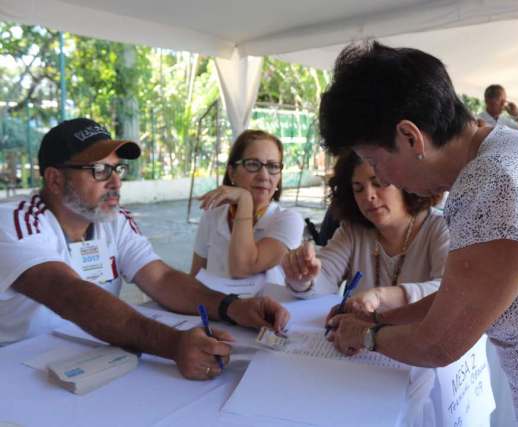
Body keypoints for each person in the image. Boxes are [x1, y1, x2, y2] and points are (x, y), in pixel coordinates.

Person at [318, 41, 518, 426]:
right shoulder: (503, 155)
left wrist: (367, 337)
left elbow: (438, 343)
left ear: (410, 137)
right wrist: (380, 322)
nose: (381, 178)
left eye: (375, 161)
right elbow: (460, 301)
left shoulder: (493, 183)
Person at [0, 118, 289, 381]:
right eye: (100, 170)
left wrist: (233, 306)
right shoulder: (15, 222)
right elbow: (70, 294)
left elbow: (161, 278)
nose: (115, 182)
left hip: (89, 362)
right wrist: (174, 344)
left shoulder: (114, 221)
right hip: (18, 371)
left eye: (117, 169)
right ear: (54, 179)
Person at [282, 151, 449, 312]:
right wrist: (303, 278)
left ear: (404, 182)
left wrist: (381, 297)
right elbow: (324, 277)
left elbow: (449, 290)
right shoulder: (353, 231)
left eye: (378, 183)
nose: (368, 196)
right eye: (358, 188)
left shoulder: (441, 227)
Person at [190, 130, 304, 283]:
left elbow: (242, 267)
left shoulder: (289, 220)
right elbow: (195, 280)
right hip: (213, 307)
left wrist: (244, 199)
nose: (264, 175)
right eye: (253, 164)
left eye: (272, 166)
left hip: (268, 308)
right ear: (232, 173)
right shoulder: (212, 216)